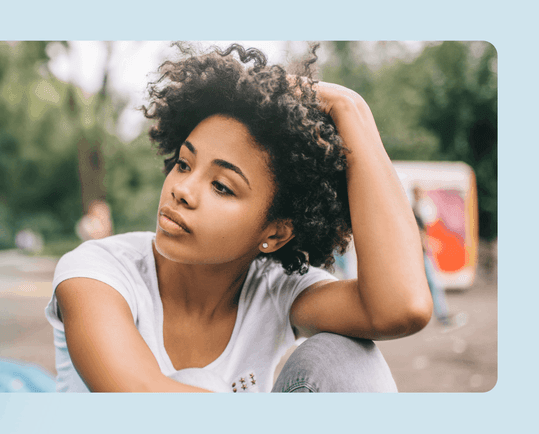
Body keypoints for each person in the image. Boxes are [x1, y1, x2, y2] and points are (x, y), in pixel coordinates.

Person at [44, 43, 433, 393]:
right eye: (183, 164)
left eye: (222, 187)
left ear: (275, 233)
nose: (182, 189)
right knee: (194, 382)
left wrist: (351, 109)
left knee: (346, 356)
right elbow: (142, 394)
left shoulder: (275, 291)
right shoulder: (96, 271)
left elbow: (401, 308)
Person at [411, 185, 467, 331]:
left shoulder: (416, 211)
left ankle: (440, 314)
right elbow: (418, 233)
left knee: (430, 284)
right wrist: (428, 244)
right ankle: (442, 315)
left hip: (419, 254)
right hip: (420, 254)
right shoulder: (414, 211)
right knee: (434, 283)